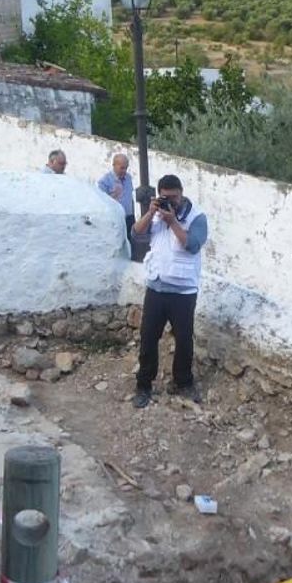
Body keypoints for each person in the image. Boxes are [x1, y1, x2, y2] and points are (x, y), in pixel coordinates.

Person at [131, 174, 209, 408]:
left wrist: (173, 222)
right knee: (148, 338)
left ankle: (183, 382)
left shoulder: (197, 217)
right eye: (165, 198)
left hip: (183, 291)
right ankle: (143, 385)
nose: (170, 202)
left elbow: (193, 245)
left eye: (173, 198)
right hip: (156, 287)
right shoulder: (155, 215)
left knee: (184, 340)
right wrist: (150, 212)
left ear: (181, 193)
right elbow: (136, 235)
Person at [98, 153, 140, 260]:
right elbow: (101, 202)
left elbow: (130, 197)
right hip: (115, 218)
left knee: (132, 241)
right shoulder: (105, 181)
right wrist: (113, 196)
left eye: (126, 168)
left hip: (129, 216)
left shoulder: (128, 178)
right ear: (114, 165)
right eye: (122, 168)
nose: (124, 171)